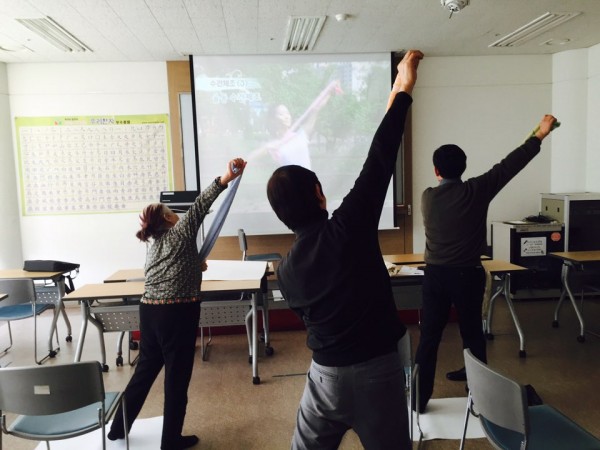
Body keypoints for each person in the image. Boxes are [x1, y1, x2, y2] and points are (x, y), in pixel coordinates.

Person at [266, 50, 424, 450]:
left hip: (324, 378)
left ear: (281, 215)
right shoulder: (348, 227)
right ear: (319, 195)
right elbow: (380, 157)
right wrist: (403, 88)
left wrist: (399, 91)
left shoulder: (285, 271)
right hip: (378, 372)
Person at [413, 115, 559, 413]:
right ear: (464, 167)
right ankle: (478, 396)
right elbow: (509, 165)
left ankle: (418, 399)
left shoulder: (428, 197)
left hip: (435, 276)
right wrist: (540, 135)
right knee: (472, 334)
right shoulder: (476, 190)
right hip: (467, 275)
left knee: (429, 336)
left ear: (436, 171)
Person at [107, 157, 246, 450]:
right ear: (169, 220)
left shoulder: (154, 245)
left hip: (149, 312)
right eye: (174, 213)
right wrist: (227, 177)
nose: (179, 216)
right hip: (177, 313)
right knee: (176, 377)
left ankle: (118, 428)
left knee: (145, 372)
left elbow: (172, 268)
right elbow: (202, 203)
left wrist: (195, 266)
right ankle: (170, 439)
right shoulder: (180, 233)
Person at [249, 80, 342, 169]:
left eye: (287, 113)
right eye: (281, 114)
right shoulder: (274, 145)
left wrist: (329, 92)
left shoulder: (301, 135)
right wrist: (268, 148)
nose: (286, 116)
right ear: (273, 120)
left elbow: (315, 110)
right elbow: (249, 159)